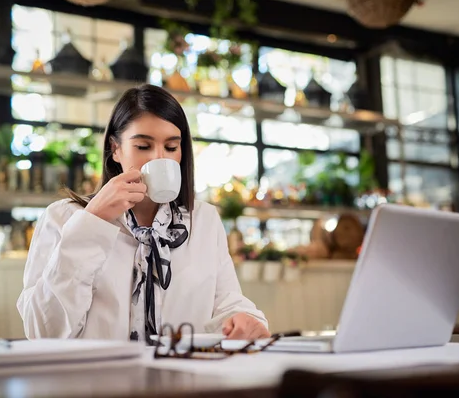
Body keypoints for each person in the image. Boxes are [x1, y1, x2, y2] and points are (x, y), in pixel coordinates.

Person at [17, 84, 270, 344]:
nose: (159, 159)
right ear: (115, 149)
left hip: (183, 381)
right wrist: (92, 222)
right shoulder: (63, 218)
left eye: (171, 148)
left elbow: (226, 304)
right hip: (95, 382)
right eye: (143, 146)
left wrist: (245, 320)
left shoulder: (203, 219)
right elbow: (43, 332)